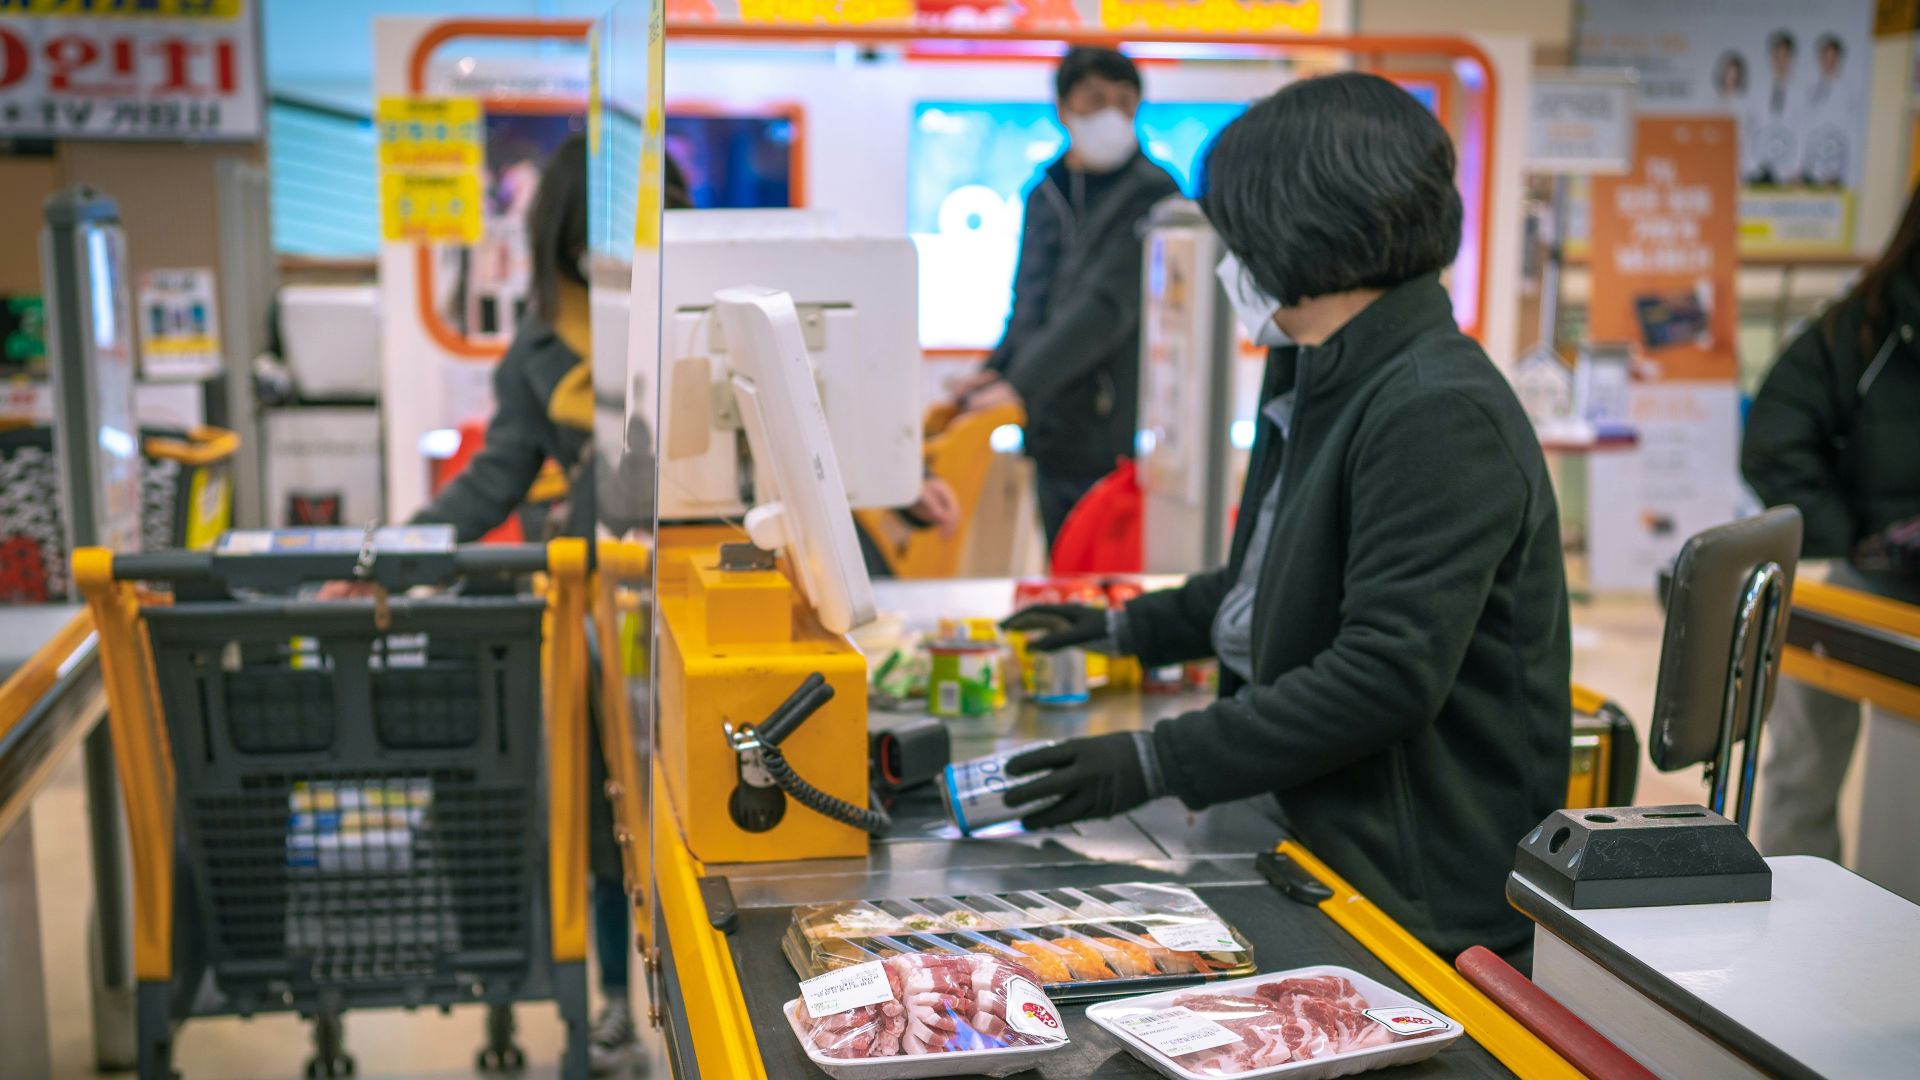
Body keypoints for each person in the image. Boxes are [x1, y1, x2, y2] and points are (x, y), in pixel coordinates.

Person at [1002, 73, 1571, 968]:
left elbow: (1383, 675)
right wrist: (1124, 626)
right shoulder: (1321, 368)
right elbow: (1272, 580)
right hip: (1306, 822)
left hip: (1408, 889)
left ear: (1300, 227)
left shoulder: (1434, 408)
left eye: (1235, 228)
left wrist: (1157, 760)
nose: (1228, 253)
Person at [393, 134, 650, 1075]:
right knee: (602, 816)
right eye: (593, 242)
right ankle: (619, 1002)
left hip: (698, 604)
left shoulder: (698, 318)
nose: (611, 261)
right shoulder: (542, 349)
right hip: (589, 618)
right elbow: (494, 477)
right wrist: (394, 555)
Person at [1740, 181, 1920, 861]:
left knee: (1902, 804)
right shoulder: (1863, 326)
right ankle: (1792, 917)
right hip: (1856, 578)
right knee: (1803, 769)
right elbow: (1774, 439)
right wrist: (1848, 540)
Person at [952, 46, 1180, 548]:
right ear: (1063, 107)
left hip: (1110, 424)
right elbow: (1029, 300)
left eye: (1125, 102)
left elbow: (1106, 307)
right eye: (1096, 99)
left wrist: (1020, 384)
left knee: (1098, 566)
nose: (1112, 115)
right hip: (1051, 422)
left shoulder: (1153, 194)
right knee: (1061, 555)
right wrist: (996, 371)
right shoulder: (1047, 191)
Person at [1800, 34, 1854, 188]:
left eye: (1832, 58)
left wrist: (1838, 171)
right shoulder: (1811, 90)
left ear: (1839, 60)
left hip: (1833, 172)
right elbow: (1806, 129)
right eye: (1825, 58)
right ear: (1820, 59)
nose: (1828, 63)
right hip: (1810, 171)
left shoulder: (1847, 93)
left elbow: (1846, 135)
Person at [1749, 30, 1803, 185]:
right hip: (1761, 170)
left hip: (1790, 173)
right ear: (1771, 58)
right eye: (1776, 56)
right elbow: (1752, 130)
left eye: (1785, 57)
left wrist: (1795, 169)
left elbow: (1802, 132)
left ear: (1792, 59)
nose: (1780, 62)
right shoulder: (1757, 92)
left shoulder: (1802, 94)